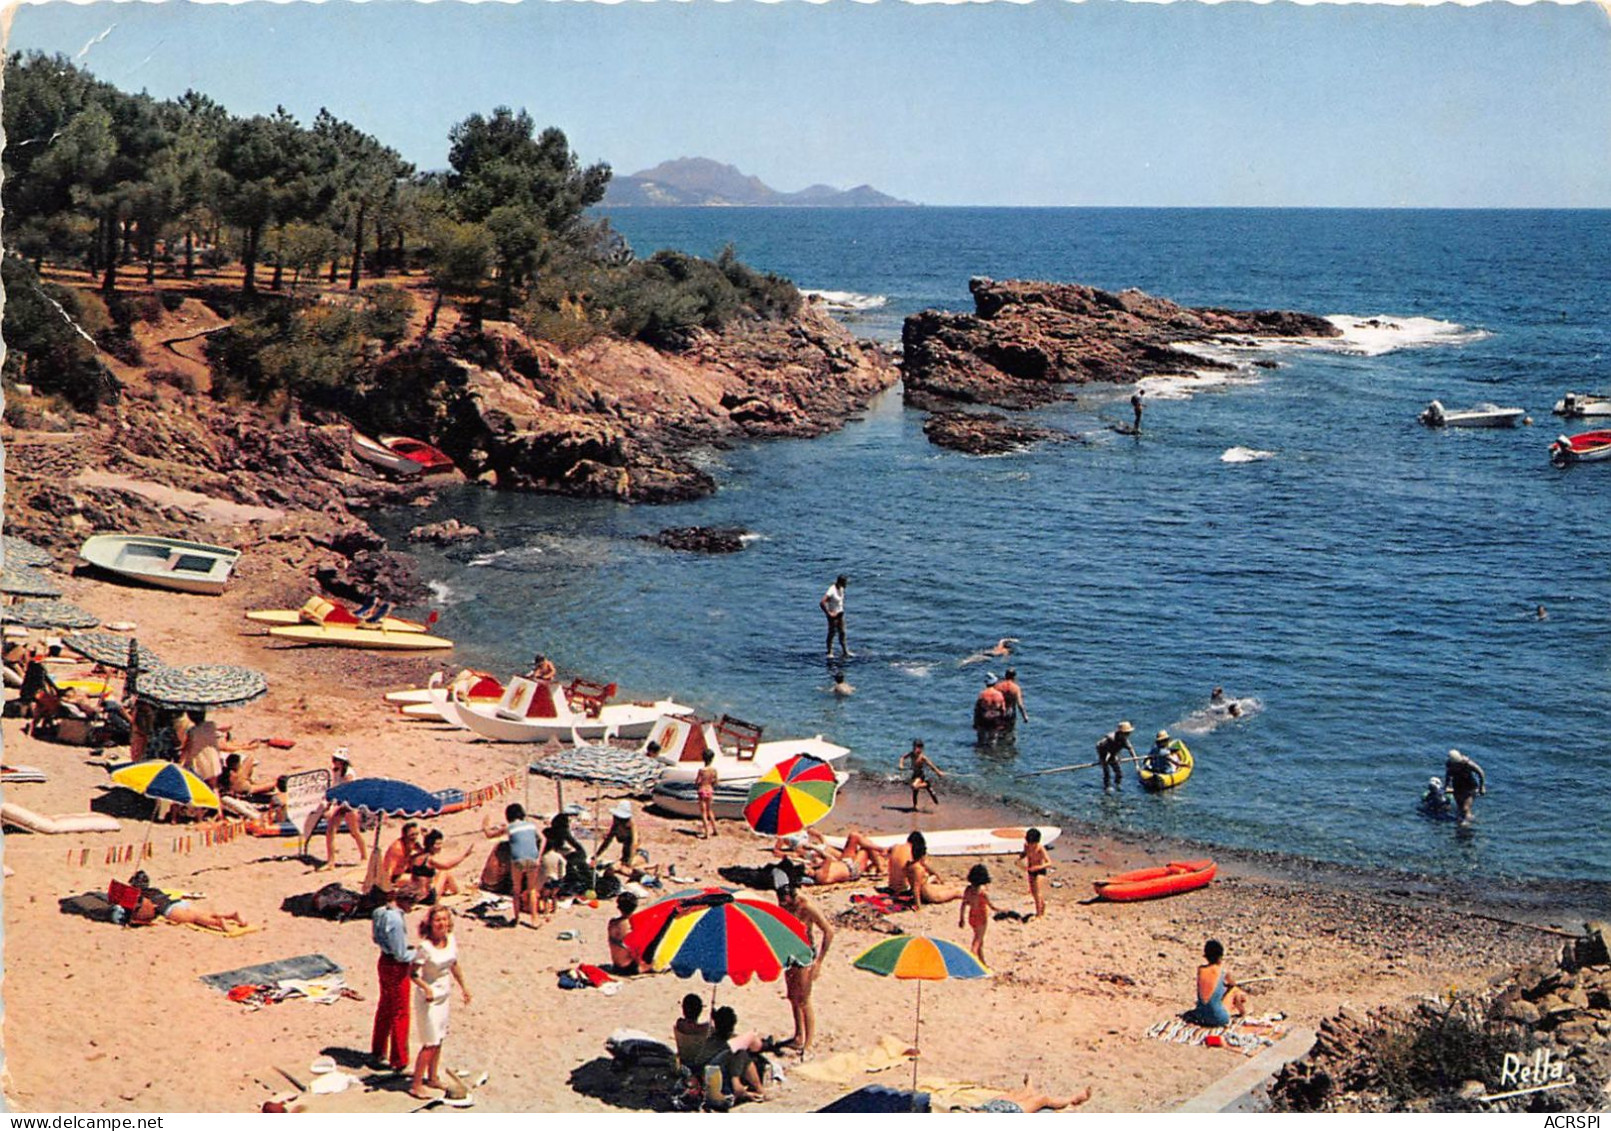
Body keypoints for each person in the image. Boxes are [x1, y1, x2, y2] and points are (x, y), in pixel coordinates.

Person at [408, 906, 470, 1101]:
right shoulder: (425, 947)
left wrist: (464, 987)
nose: (442, 924)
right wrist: (426, 988)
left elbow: (454, 964)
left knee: (440, 1038)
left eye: (444, 920)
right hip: (429, 998)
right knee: (430, 1042)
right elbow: (412, 973)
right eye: (437, 920)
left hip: (444, 995)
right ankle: (416, 1084)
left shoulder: (450, 940)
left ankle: (433, 1077)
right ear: (430, 924)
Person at [778, 883, 833, 1055]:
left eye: (787, 902)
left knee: (804, 999)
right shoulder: (783, 906)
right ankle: (798, 1035)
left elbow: (828, 932)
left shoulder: (806, 908)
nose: (784, 906)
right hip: (789, 952)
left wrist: (819, 961)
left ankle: (808, 1044)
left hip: (805, 953)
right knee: (792, 997)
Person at [371, 886, 418, 1073]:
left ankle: (378, 1050)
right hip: (396, 967)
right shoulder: (396, 920)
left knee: (384, 1007)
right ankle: (399, 1059)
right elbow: (400, 954)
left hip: (383, 960)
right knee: (400, 1011)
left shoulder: (379, 912)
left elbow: (376, 939)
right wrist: (417, 953)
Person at [126, 870, 250, 931]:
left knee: (195, 918)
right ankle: (232, 916)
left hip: (169, 909)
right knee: (203, 913)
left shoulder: (140, 897)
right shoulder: (155, 890)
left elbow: (146, 910)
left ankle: (218, 923)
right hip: (177, 902)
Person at [481, 804, 540, 927]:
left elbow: (489, 835)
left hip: (517, 860)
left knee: (516, 890)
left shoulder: (510, 828)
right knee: (532, 889)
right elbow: (543, 839)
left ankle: (517, 918)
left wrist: (485, 825)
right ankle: (534, 919)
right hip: (533, 858)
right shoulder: (531, 825)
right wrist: (538, 856)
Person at [702, 1007, 772, 1109]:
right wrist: (748, 1094)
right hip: (724, 1096)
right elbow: (737, 1088)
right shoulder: (729, 1049)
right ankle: (760, 1090)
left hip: (707, 1090)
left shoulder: (708, 1043)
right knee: (742, 1055)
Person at [319, 748, 368, 869]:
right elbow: (335, 789)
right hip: (340, 803)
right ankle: (331, 862)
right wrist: (329, 804)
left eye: (336, 760)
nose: (334, 762)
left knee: (354, 832)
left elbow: (348, 793)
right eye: (333, 759)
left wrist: (333, 808)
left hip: (349, 805)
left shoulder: (348, 774)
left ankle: (364, 857)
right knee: (330, 833)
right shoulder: (336, 771)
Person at [1185, 938, 1249, 1027]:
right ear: (1220, 957)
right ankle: (1243, 1013)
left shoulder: (1200, 970)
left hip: (1200, 1016)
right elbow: (1232, 984)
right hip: (1219, 1019)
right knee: (1235, 990)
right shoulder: (1222, 971)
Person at [593, 802, 657, 879]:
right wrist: (596, 855)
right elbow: (607, 841)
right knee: (611, 870)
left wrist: (629, 862)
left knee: (630, 871)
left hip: (637, 854)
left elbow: (634, 844)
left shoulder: (631, 827)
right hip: (625, 856)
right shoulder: (616, 826)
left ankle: (653, 868)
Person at [410, 829, 475, 903]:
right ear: (431, 845)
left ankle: (455, 890)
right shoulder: (430, 860)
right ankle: (457, 892)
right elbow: (447, 866)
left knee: (439, 876)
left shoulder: (417, 856)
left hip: (415, 895)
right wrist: (464, 856)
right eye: (437, 844)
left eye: (440, 844)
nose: (440, 846)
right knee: (445, 873)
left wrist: (426, 836)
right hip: (427, 898)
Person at [959, 864, 1000, 963]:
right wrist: (1003, 910)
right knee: (976, 943)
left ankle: (982, 964)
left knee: (979, 941)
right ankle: (971, 963)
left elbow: (964, 904)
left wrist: (962, 919)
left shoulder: (968, 890)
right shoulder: (982, 892)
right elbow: (992, 906)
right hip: (981, 918)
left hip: (971, 917)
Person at [906, 837, 963, 906]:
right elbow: (916, 888)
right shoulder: (919, 869)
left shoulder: (910, 865)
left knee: (951, 886)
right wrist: (918, 906)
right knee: (956, 892)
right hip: (931, 895)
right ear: (922, 855)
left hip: (927, 890)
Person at [973, 1082, 1093, 1114]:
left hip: (986, 1110)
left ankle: (1028, 1090)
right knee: (1043, 1099)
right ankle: (1072, 1099)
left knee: (1010, 1096)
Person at [897, 738, 944, 812]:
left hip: (920, 776)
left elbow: (931, 765)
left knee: (914, 786)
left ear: (922, 749)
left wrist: (938, 772)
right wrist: (901, 764)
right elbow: (902, 757)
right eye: (916, 747)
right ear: (913, 747)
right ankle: (915, 806)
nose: (918, 750)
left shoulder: (923, 757)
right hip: (914, 775)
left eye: (920, 748)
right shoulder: (911, 754)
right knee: (915, 792)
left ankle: (927, 785)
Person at [1444, 749, 1487, 825]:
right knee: (1460, 808)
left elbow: (1480, 772)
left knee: (1465, 808)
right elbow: (1448, 775)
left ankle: (1466, 824)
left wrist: (1482, 786)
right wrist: (1446, 786)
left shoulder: (1468, 764)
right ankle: (1467, 819)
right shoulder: (1449, 764)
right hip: (1457, 786)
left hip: (1470, 787)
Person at [607, 892, 645, 975]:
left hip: (616, 966)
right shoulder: (632, 925)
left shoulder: (612, 923)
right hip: (628, 967)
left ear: (618, 907)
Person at [1018, 828, 1051, 919]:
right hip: (1030, 870)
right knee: (1033, 892)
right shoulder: (1026, 846)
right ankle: (1042, 905)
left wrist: (1038, 867)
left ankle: (1038, 914)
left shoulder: (1040, 848)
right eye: (1029, 843)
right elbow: (1025, 853)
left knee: (1038, 892)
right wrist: (1020, 858)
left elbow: (1049, 863)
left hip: (1039, 871)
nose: (1031, 845)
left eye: (1033, 844)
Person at [1096, 721, 1136, 788]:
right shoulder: (1110, 738)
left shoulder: (1125, 740)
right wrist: (1103, 760)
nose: (1128, 735)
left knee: (1119, 773)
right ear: (1121, 733)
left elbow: (1131, 750)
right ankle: (1107, 787)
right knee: (1107, 773)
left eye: (1128, 733)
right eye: (1126, 733)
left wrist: (1136, 764)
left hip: (1113, 754)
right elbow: (1099, 746)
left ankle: (1117, 785)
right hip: (1103, 752)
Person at [886, 831, 923, 900]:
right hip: (903, 890)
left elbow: (885, 852)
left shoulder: (895, 846)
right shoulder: (911, 852)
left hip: (891, 887)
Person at [820, 575, 850, 660]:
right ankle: (830, 652)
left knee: (842, 632)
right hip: (833, 615)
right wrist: (828, 613)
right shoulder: (831, 590)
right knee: (832, 633)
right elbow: (822, 602)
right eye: (845, 583)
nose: (846, 585)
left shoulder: (841, 588)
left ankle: (845, 651)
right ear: (840, 582)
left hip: (840, 613)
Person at [694, 751, 720, 840]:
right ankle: (715, 830)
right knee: (710, 811)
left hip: (702, 790)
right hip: (709, 790)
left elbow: (697, 781)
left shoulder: (701, 770)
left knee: (703, 812)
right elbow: (716, 782)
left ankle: (706, 833)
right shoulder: (714, 771)